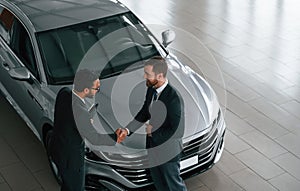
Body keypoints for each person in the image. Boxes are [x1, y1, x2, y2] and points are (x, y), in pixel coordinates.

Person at [117, 56, 187, 191]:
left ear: (160, 76)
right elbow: (145, 112)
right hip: (153, 148)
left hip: (167, 152)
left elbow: (178, 131)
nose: (144, 76)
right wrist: (127, 130)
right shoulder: (151, 89)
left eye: (148, 74)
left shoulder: (173, 99)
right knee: (159, 184)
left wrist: (152, 132)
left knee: (174, 186)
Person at [51, 69, 117, 191]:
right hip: (71, 160)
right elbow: (94, 138)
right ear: (86, 90)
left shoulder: (64, 93)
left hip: (58, 149)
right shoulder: (81, 112)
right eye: (96, 88)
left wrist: (86, 119)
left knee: (68, 185)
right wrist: (116, 137)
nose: (98, 90)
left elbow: (67, 117)